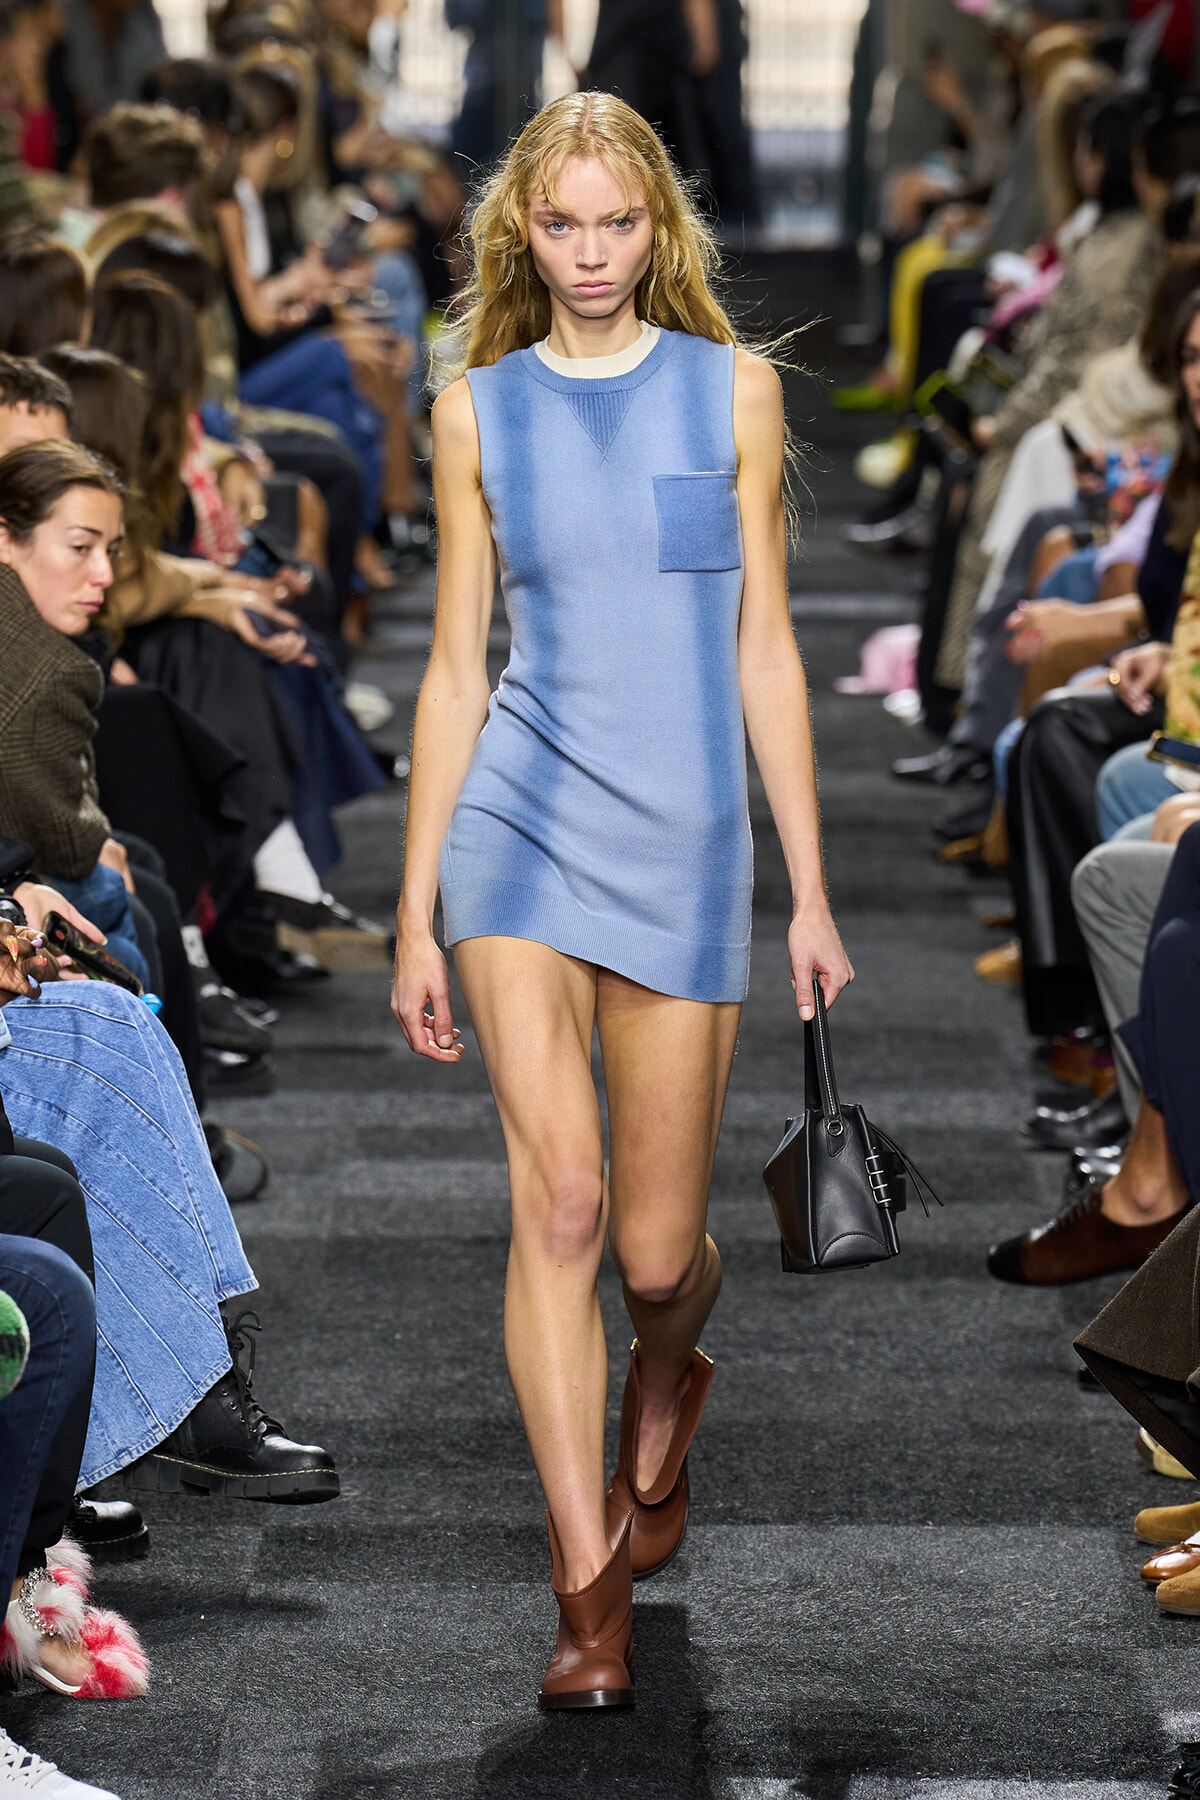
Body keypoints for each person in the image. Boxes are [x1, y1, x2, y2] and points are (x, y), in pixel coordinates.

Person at [390, 91, 853, 1709]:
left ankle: (671, 1372)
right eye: (563, 225)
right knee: (563, 1206)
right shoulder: (476, 410)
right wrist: (411, 909)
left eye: (620, 223)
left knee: (657, 1257)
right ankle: (587, 1587)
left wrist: (807, 888)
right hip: (518, 829)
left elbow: (767, 649)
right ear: (523, 229)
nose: (590, 254)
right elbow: (458, 667)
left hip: (686, 846)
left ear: (662, 230)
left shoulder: (736, 392)